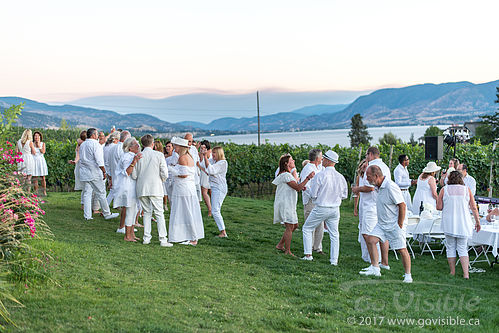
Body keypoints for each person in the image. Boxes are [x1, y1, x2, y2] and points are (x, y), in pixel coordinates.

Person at [360, 165, 412, 283]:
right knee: (370, 239)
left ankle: (408, 275)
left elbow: (402, 205)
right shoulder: (378, 186)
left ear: (376, 176)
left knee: (402, 249)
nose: (366, 179)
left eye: (368, 176)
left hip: (394, 224)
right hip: (382, 224)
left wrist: (399, 224)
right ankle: (375, 268)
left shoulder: (390, 186)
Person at [301, 150, 347, 265]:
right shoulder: (341, 177)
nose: (322, 160)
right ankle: (334, 260)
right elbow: (344, 195)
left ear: (327, 160)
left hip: (321, 207)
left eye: (323, 159)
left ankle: (308, 255)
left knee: (307, 228)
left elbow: (313, 194)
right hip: (335, 209)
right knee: (334, 234)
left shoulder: (320, 175)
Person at [436, 171, 481, 279]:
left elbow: (439, 207)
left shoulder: (444, 189)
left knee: (450, 247)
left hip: (449, 222)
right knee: (462, 248)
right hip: (463, 222)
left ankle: (452, 272)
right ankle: (466, 274)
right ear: (461, 179)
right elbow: (474, 208)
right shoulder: (467, 190)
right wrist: (477, 222)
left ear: (449, 179)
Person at [352, 146, 390, 268]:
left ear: (370, 154)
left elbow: (371, 187)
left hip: (370, 204)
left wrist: (357, 189)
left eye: (367, 155)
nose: (366, 158)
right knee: (381, 233)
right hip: (381, 203)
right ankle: (383, 262)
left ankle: (374, 261)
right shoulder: (386, 167)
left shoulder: (371, 167)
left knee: (367, 233)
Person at [132, 134, 172, 247]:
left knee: (146, 213)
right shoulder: (159, 155)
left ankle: (146, 238)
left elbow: (134, 175)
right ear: (152, 143)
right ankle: (163, 239)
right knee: (159, 213)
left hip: (142, 187)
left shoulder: (138, 156)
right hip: (155, 187)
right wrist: (162, 180)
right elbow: (164, 172)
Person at [273, 154, 314, 256]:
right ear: (286, 163)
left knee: (294, 226)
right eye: (291, 160)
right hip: (286, 204)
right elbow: (298, 188)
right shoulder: (286, 175)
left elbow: (296, 186)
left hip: (289, 203)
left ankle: (280, 245)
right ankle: (287, 250)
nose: (294, 161)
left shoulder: (286, 174)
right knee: (290, 226)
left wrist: (302, 185)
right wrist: (308, 178)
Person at [168, 137, 204, 245]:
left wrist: (171, 169)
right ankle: (187, 235)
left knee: (185, 211)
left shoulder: (183, 158)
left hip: (183, 188)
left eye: (175, 146)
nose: (174, 148)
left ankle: (192, 237)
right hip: (188, 187)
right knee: (186, 211)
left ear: (180, 147)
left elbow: (183, 174)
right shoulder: (189, 156)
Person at [78, 128, 119, 221]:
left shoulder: (83, 144)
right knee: (101, 192)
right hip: (94, 172)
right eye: (96, 134)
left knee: (87, 194)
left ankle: (87, 215)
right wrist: (104, 171)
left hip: (84, 172)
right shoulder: (95, 145)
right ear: (93, 135)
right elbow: (99, 161)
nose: (97, 136)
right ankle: (107, 213)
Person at [114, 137, 141, 242]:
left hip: (132, 185)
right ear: (130, 148)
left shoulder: (131, 155)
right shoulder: (127, 157)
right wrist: (134, 161)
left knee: (134, 210)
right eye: (135, 144)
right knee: (130, 210)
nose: (138, 146)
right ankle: (127, 236)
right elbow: (127, 172)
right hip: (127, 186)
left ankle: (132, 233)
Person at [299, 149, 325, 254]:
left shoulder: (319, 168)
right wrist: (314, 195)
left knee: (320, 225)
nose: (322, 158)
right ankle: (309, 248)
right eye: (321, 156)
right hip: (311, 201)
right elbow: (305, 186)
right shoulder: (308, 168)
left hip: (319, 201)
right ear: (317, 158)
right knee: (310, 225)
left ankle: (317, 247)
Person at [201, 146, 229, 238]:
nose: (212, 155)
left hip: (219, 188)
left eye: (214, 153)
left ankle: (223, 232)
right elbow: (203, 165)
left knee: (215, 211)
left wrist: (205, 157)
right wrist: (203, 155)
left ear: (219, 153)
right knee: (216, 210)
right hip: (214, 187)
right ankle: (222, 231)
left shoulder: (223, 163)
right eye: (212, 152)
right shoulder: (214, 161)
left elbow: (211, 170)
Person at [109, 131, 131, 232]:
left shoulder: (112, 147)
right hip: (122, 179)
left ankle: (126, 225)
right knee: (126, 204)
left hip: (114, 176)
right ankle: (124, 226)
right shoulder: (123, 151)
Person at [353, 159, 371, 263]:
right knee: (362, 225)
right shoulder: (359, 177)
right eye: (364, 165)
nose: (365, 166)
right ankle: (364, 253)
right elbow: (357, 194)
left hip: (369, 204)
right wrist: (355, 207)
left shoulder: (370, 177)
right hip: (362, 203)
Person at [184, 133, 202, 201]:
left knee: (197, 197)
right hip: (187, 178)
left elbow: (197, 162)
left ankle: (198, 210)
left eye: (190, 141)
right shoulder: (180, 150)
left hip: (195, 177)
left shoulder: (194, 149)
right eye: (187, 141)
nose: (189, 143)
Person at [197, 140, 212, 216]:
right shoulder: (200, 154)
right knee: (205, 193)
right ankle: (210, 209)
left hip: (208, 174)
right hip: (203, 175)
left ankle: (210, 210)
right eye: (201, 147)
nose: (202, 149)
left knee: (207, 193)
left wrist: (199, 166)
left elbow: (207, 166)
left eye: (204, 147)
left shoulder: (209, 153)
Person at [32, 131, 48, 196]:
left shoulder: (42, 143)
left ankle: (44, 191)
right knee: (35, 177)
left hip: (41, 161)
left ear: (40, 137)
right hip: (34, 160)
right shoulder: (32, 144)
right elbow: (32, 153)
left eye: (38, 136)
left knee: (42, 177)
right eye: (35, 136)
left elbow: (43, 152)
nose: (36, 137)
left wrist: (39, 146)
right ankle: (36, 192)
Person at [162, 141, 174, 210]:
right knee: (167, 194)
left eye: (169, 146)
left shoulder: (174, 157)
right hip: (166, 178)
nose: (167, 148)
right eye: (166, 146)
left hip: (173, 177)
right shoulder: (164, 157)